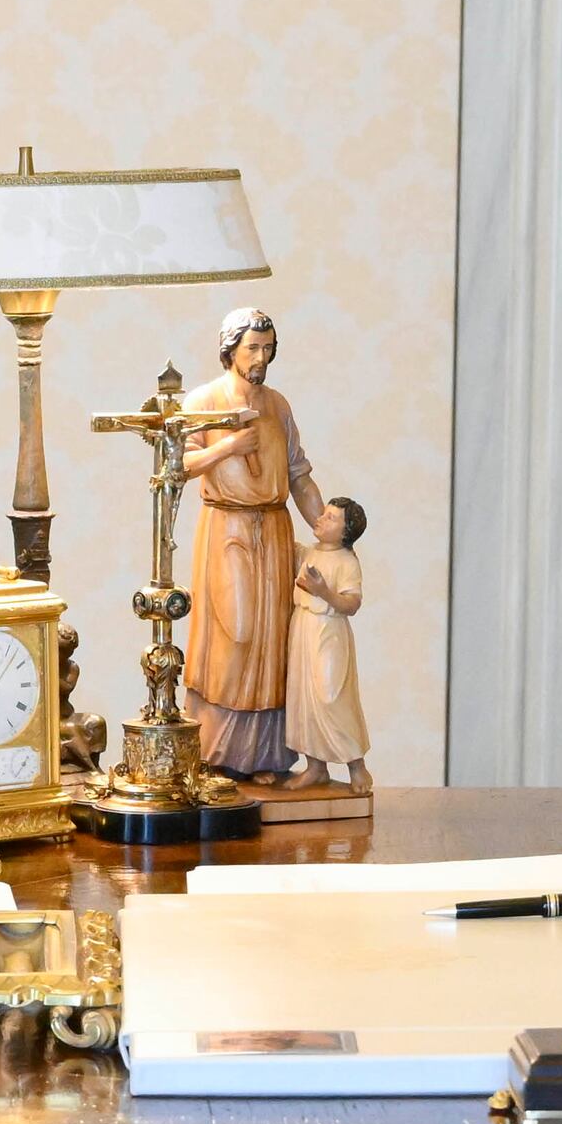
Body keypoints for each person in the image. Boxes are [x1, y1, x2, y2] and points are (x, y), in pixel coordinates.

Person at [177, 307, 327, 779]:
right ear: (230, 351)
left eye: (268, 348)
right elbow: (177, 463)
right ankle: (214, 752)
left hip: (274, 528)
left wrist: (325, 531)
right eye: (252, 348)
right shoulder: (204, 400)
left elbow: (300, 475)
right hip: (228, 528)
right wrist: (227, 447)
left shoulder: (278, 405)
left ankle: (264, 757)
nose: (261, 357)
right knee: (235, 633)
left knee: (273, 638)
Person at [286, 494, 370, 788]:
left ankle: (356, 765)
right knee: (303, 698)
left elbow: (352, 604)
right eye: (324, 513)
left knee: (331, 697)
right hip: (302, 628)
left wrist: (323, 591)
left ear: (346, 531)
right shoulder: (308, 553)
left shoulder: (347, 562)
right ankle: (315, 766)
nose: (321, 518)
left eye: (331, 517)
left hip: (329, 633)